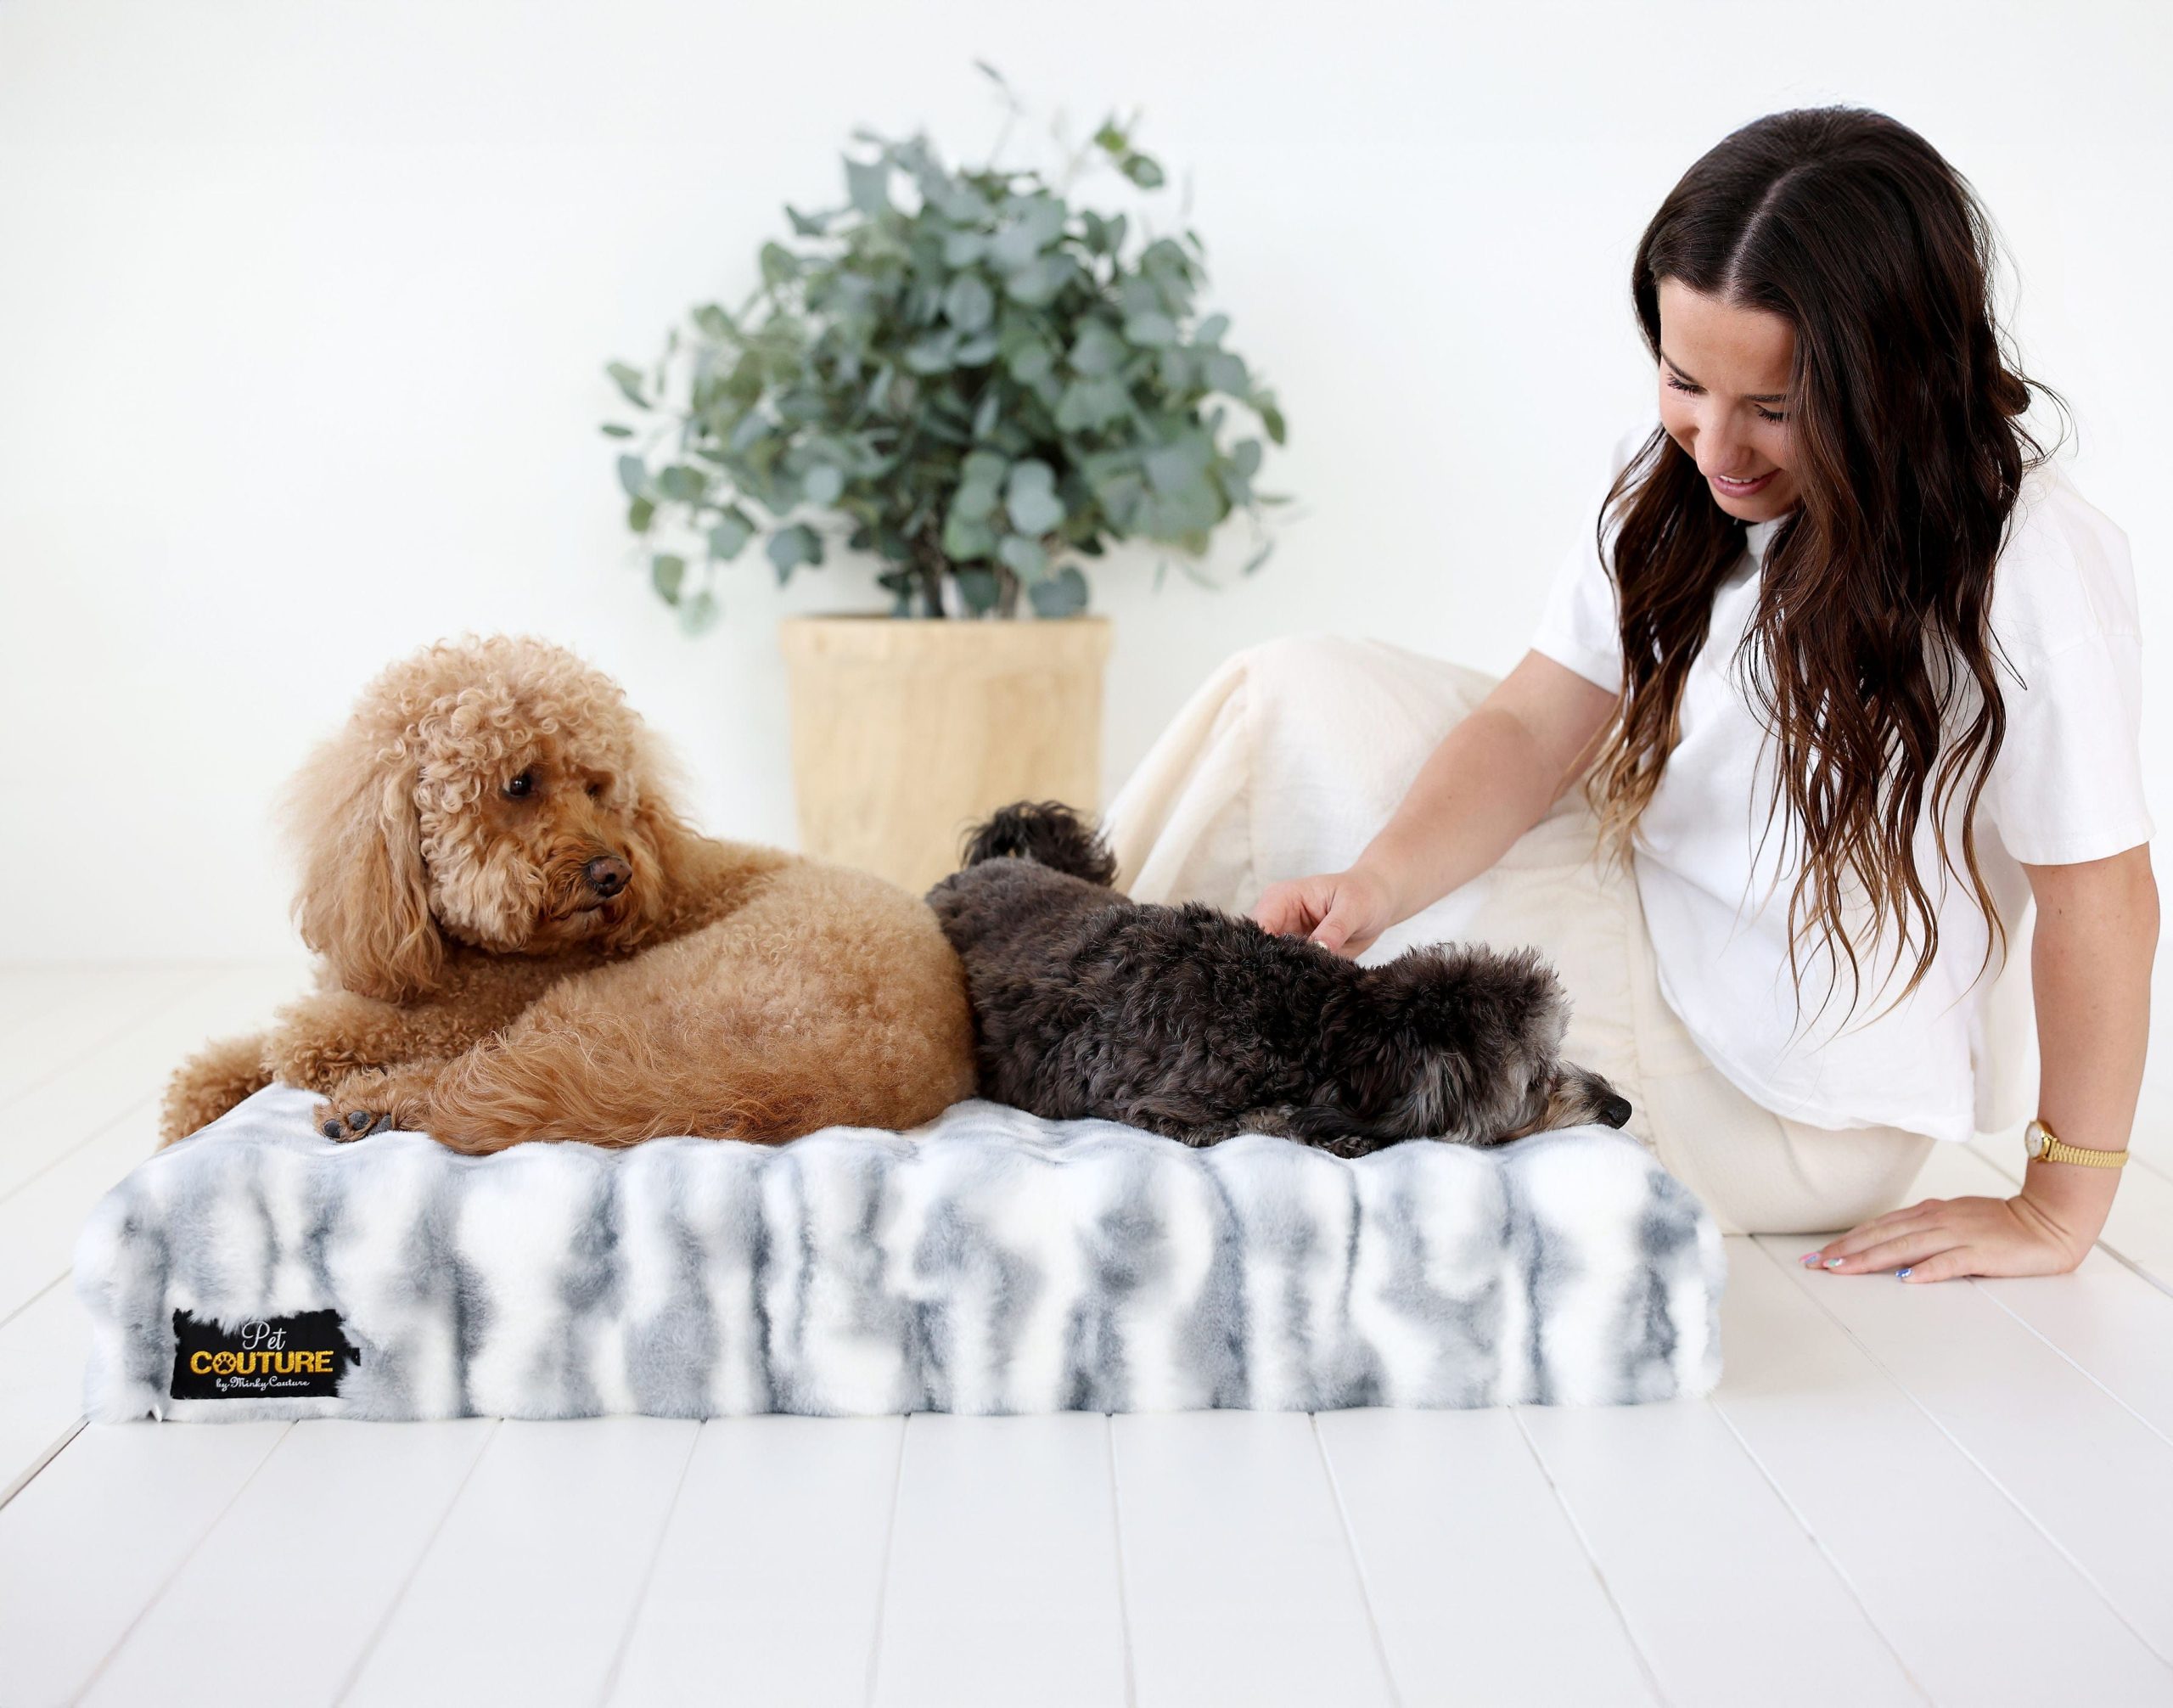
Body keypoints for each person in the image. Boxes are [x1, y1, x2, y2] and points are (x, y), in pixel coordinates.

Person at [1253, 106, 2155, 1279]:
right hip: (1653, 916)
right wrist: (1375, 883)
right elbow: (1534, 720)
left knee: (1393, 1008)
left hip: (1778, 1090)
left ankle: (1105, 1033)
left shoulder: (2028, 560)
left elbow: (2102, 898)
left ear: (1898, 381)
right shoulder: (1681, 476)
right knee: (1296, 692)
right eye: (1685, 381)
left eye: (1774, 410)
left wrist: (2058, 1207)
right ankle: (1078, 990)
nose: (1715, 447)